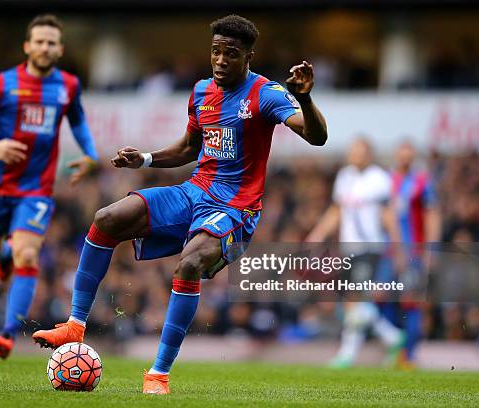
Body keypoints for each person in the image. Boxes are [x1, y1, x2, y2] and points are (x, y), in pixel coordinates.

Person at [33, 14, 327, 394]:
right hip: (194, 192)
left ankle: (158, 374)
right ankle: (74, 325)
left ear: (248, 57)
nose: (220, 60)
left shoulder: (265, 95)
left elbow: (316, 137)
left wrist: (303, 96)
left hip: (236, 209)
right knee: (107, 218)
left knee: (189, 263)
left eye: (231, 54)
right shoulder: (202, 91)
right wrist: (147, 160)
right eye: (216, 52)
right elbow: (189, 148)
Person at [0, 14, 99, 359]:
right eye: (39, 41)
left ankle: (6, 333)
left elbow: (77, 120)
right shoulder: (3, 84)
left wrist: (90, 154)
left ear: (60, 49)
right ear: (27, 46)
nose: (45, 47)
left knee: (29, 254)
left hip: (37, 189)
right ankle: (3, 252)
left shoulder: (67, 86)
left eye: (51, 42)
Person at [307, 138, 404, 368]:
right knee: (355, 303)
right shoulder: (345, 177)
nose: (354, 155)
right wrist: (318, 233)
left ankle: (347, 354)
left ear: (368, 154)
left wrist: (397, 246)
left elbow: (388, 215)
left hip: (370, 247)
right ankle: (392, 336)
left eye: (359, 151)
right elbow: (337, 210)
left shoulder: (379, 179)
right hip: (349, 248)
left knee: (354, 300)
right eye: (352, 151)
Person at [384, 141, 441, 368]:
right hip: (388, 251)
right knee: (380, 297)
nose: (405, 157)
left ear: (413, 156)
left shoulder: (421, 181)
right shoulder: (387, 180)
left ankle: (409, 354)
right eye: (402, 153)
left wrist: (431, 248)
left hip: (413, 252)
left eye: (409, 154)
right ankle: (393, 345)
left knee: (411, 301)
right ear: (397, 155)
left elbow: (432, 214)